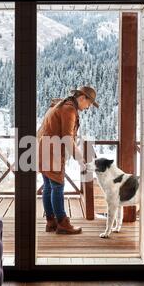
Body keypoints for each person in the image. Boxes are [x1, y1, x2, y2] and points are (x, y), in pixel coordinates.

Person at [37, 85, 99, 234]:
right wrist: (80, 158)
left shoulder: (60, 105)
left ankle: (51, 222)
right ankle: (63, 223)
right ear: (82, 98)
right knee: (57, 187)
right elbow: (67, 138)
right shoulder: (69, 110)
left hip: (43, 149)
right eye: (88, 104)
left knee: (48, 187)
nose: (87, 108)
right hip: (53, 152)